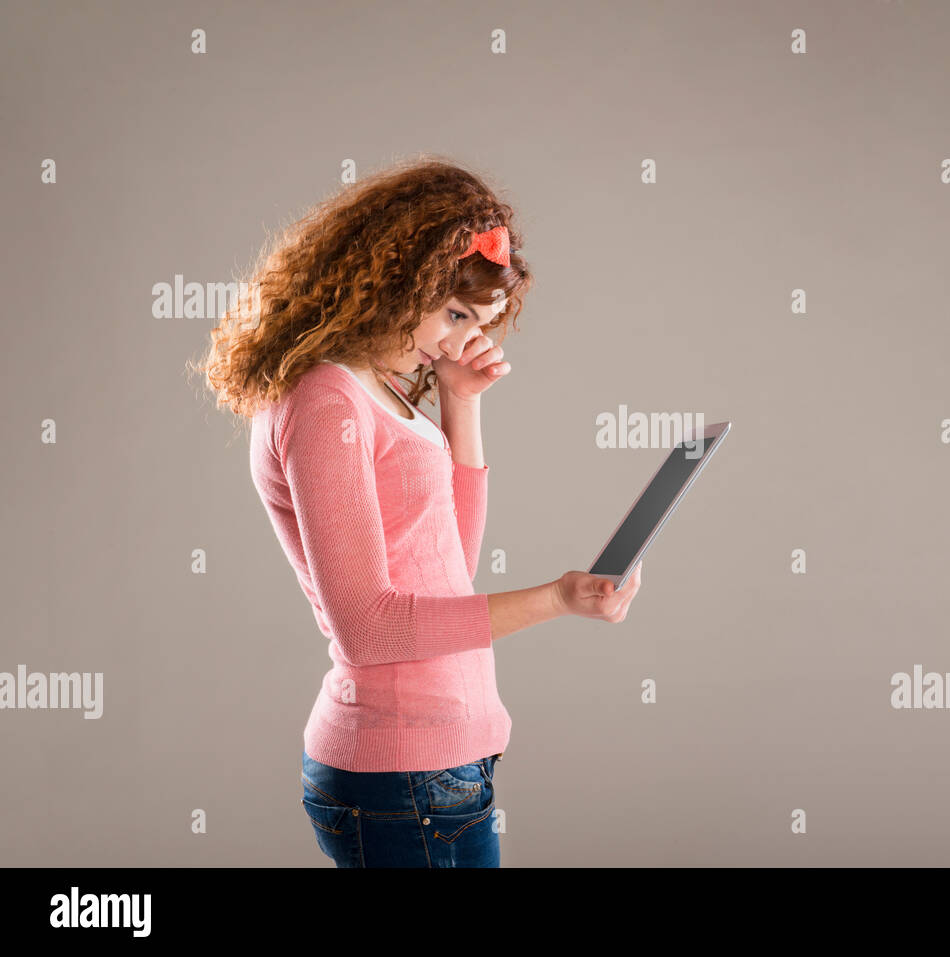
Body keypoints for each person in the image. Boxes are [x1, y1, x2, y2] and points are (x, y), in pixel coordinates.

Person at [189, 156, 643, 867]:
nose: (454, 340)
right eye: (454, 312)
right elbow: (370, 626)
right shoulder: (326, 399)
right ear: (396, 274)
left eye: (478, 322)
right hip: (397, 774)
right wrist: (556, 598)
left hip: (444, 767)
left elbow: (449, 572)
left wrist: (461, 403)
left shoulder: (379, 389)